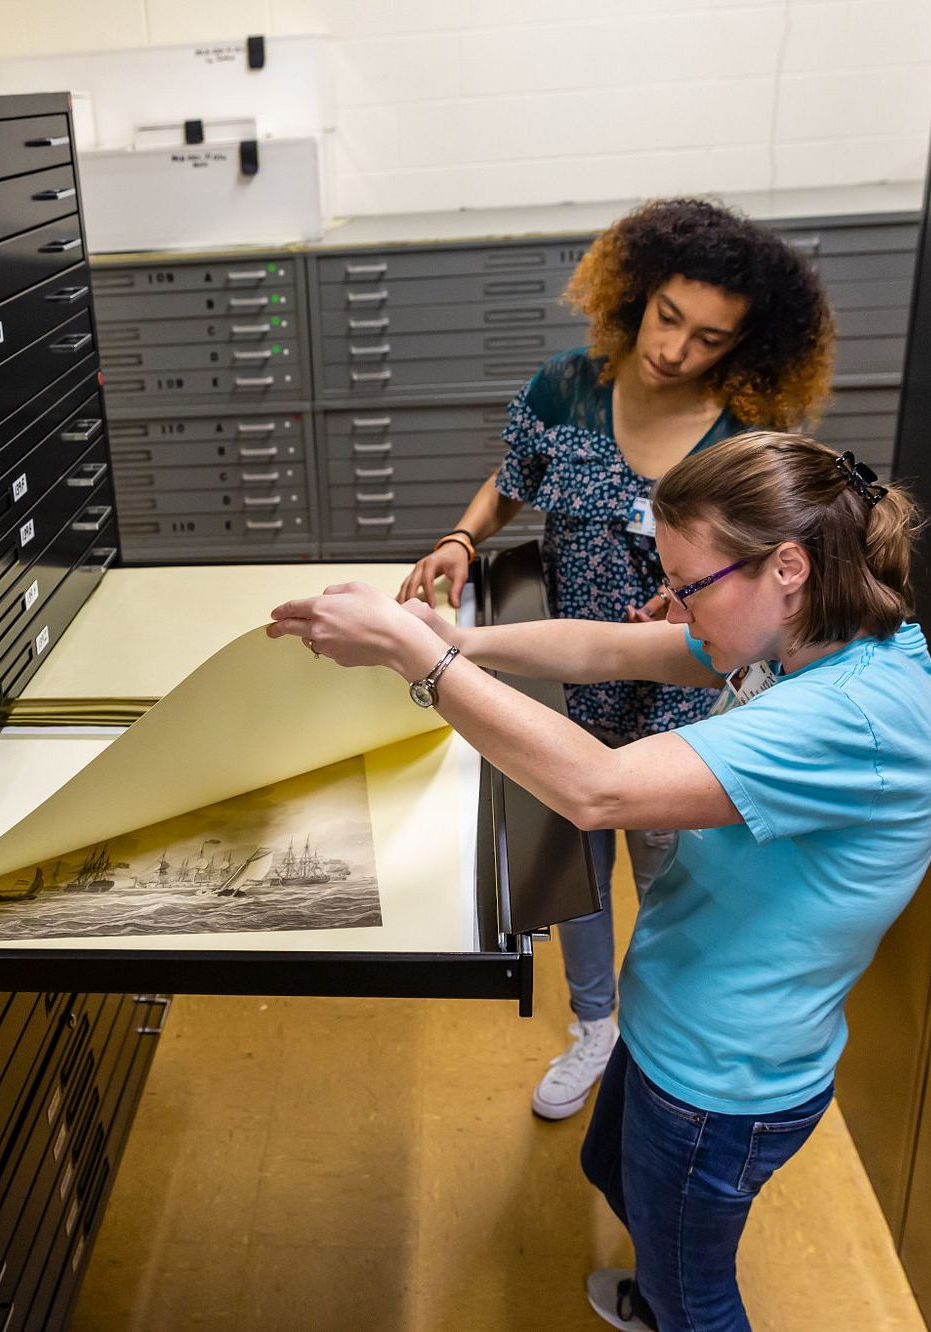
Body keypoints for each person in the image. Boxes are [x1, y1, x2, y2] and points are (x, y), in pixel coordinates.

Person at [267, 431, 931, 1331]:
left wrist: (420, 662)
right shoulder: (806, 636)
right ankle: (658, 1287)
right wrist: (460, 638)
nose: (669, 608)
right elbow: (610, 652)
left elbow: (597, 790)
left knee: (695, 1293)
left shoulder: (851, 714)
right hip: (676, 1021)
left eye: (688, 586)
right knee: (611, 1175)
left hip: (720, 1077)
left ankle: (668, 1303)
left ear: (786, 565)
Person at [398, 197, 835, 1119]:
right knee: (574, 851)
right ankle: (593, 1024)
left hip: (687, 672)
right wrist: (462, 539)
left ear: (743, 349)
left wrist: (695, 596)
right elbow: (510, 480)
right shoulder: (567, 386)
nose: (673, 349)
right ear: (635, 295)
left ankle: (658, 1033)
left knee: (667, 857)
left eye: (707, 338)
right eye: (665, 317)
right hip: (570, 660)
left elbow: (769, 561)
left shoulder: (744, 433)